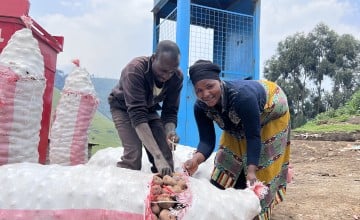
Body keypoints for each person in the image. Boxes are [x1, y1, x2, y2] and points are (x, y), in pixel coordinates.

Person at [184, 60, 291, 220]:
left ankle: (258, 212)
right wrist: (195, 160)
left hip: (271, 111)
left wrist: (251, 170)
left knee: (260, 168)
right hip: (239, 119)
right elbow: (207, 142)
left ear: (219, 81)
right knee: (225, 161)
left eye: (209, 86)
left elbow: (253, 137)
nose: (205, 94)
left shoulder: (242, 97)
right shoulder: (201, 107)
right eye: (199, 90)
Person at [108, 40, 182, 176]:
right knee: (134, 156)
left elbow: (170, 111)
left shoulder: (176, 78)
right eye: (163, 70)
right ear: (154, 58)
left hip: (149, 109)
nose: (166, 76)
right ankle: (122, 191)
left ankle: (162, 193)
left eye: (171, 72)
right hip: (123, 108)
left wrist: (170, 132)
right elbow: (137, 115)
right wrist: (157, 157)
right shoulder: (135, 70)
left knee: (166, 158)